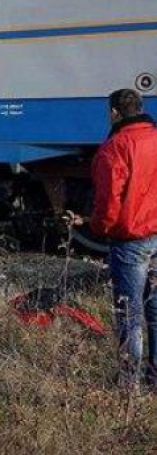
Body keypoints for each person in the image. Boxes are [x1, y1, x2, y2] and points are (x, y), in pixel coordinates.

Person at [84, 88, 157, 389]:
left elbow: (109, 202)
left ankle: (129, 387)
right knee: (155, 309)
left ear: (114, 112)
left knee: (129, 312)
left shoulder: (116, 147)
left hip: (131, 240)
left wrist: (97, 227)